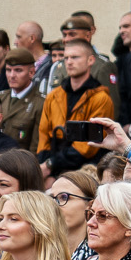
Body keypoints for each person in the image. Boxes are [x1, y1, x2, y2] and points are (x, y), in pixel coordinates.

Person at [35, 39, 116, 173]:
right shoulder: (54, 96)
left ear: (90, 60)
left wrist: (50, 164)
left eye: (75, 57)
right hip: (51, 165)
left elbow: (88, 146)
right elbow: (43, 135)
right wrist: (44, 166)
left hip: (86, 169)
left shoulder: (101, 98)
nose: (69, 62)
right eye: (66, 58)